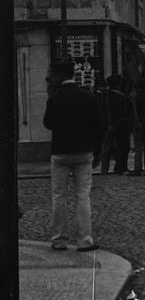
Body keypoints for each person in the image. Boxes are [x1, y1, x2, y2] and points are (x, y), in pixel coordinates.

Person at [43, 56, 102, 251]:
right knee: (82, 196)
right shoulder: (87, 96)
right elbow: (97, 126)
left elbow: (47, 123)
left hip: (60, 152)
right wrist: (98, 152)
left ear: (58, 75)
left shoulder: (55, 98)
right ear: (74, 73)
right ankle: (85, 240)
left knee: (59, 195)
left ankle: (60, 240)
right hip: (84, 151)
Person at [101, 75, 133, 175]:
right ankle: (120, 167)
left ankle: (114, 167)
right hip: (119, 125)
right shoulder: (117, 96)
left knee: (113, 147)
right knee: (121, 147)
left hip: (115, 124)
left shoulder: (108, 95)